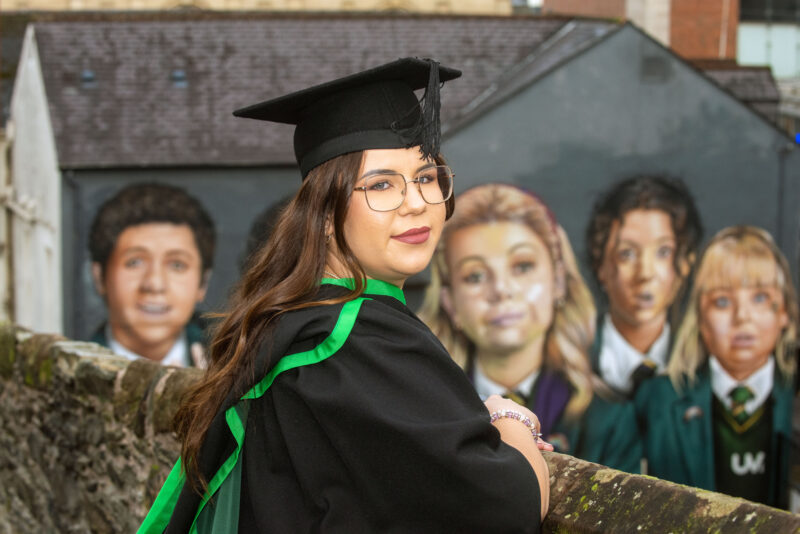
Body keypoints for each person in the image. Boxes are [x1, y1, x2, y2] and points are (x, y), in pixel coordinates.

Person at [139, 58, 551, 533]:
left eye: (425, 175)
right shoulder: (355, 338)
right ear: (325, 210)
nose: (416, 202)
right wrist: (510, 417)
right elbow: (507, 505)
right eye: (381, 184)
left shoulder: (293, 318)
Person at [419, 183, 641, 472]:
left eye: (522, 266)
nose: (501, 290)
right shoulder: (422, 413)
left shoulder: (610, 420)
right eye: (474, 276)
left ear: (558, 281)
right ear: (449, 302)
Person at [635, 226, 798, 509]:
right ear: (699, 318)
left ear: (784, 311)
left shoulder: (794, 398)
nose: (742, 317)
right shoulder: (658, 400)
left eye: (760, 297)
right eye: (722, 301)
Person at [585, 176, 702, 397]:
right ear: (601, 265)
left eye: (663, 252)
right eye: (627, 254)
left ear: (686, 262)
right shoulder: (571, 363)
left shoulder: (702, 366)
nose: (645, 273)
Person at [88, 182, 216, 368]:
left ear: (203, 283)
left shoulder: (238, 369)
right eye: (135, 262)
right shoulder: (62, 378)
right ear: (100, 277)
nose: (155, 284)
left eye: (177, 265)